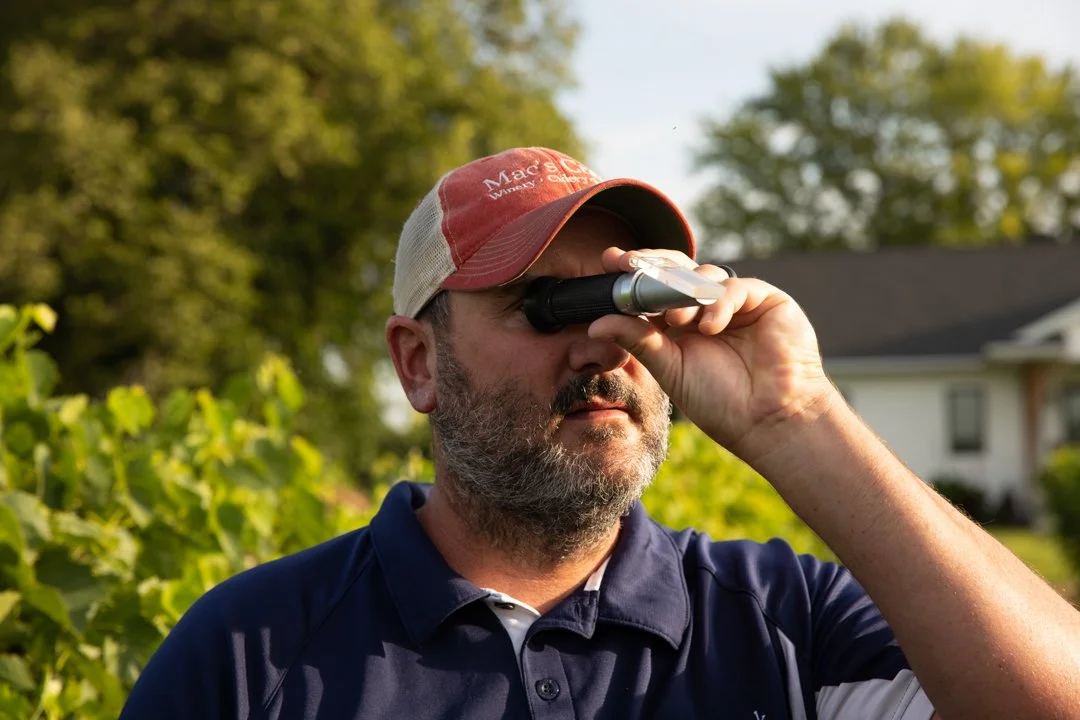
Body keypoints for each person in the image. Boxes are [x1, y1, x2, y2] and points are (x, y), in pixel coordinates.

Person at [119, 147, 1080, 719]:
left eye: (627, 297)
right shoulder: (255, 654)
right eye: (545, 304)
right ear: (419, 362)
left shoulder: (786, 622)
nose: (606, 344)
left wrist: (800, 417)